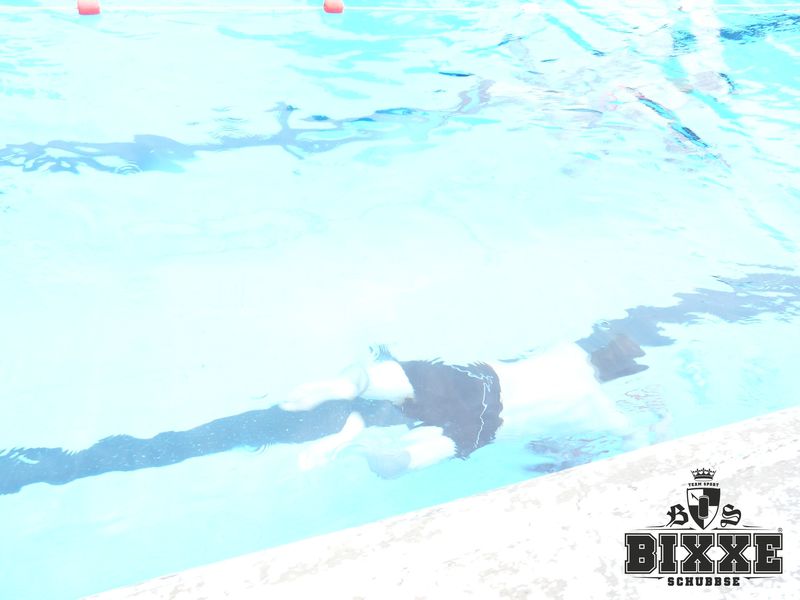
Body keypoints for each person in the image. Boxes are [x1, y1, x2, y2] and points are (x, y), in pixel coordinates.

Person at [281, 335, 650, 478]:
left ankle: (350, 385)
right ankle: (360, 448)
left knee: (390, 377)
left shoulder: (565, 349)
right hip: (489, 427)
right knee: (407, 458)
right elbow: (636, 444)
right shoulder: (603, 409)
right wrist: (656, 429)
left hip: (484, 381)